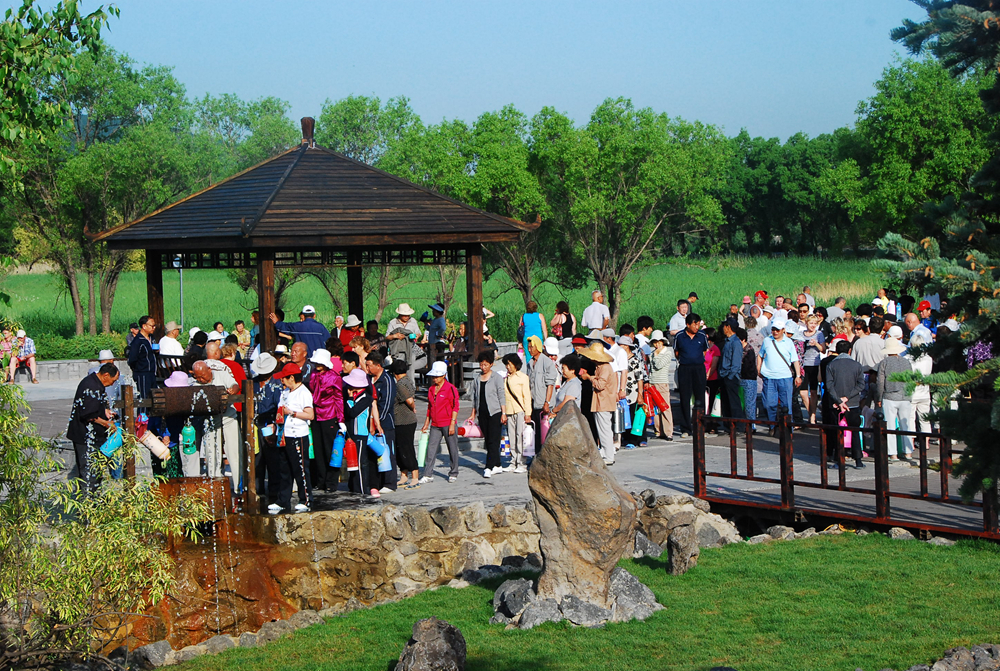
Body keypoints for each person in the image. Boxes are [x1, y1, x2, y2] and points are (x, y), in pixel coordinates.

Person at [67, 362, 120, 494]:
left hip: (89, 435)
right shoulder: (91, 386)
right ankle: (87, 506)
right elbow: (88, 415)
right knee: (89, 472)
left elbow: (93, 407)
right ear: (106, 375)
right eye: (113, 381)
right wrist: (106, 423)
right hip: (84, 436)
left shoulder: (95, 383)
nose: (113, 384)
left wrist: (105, 411)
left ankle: (92, 502)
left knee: (95, 472)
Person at [192, 358, 241, 493]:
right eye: (198, 377)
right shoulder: (194, 384)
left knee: (234, 451)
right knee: (212, 453)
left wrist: (233, 390)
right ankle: (216, 485)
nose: (201, 379)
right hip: (210, 419)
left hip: (228, 416)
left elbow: (235, 384)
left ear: (209, 370)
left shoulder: (221, 374)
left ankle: (239, 487)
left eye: (203, 376)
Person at [273, 362, 314, 513]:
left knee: (300, 468)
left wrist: (292, 412)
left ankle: (306, 499)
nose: (281, 381)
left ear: (291, 378)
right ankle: (283, 499)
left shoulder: (304, 392)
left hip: (298, 435)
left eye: (284, 378)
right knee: (285, 469)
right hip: (284, 435)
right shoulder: (285, 392)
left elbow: (310, 415)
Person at [824, 340, 866, 468]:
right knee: (854, 431)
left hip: (836, 404)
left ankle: (839, 461)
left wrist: (838, 400)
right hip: (852, 403)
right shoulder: (857, 365)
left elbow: (829, 386)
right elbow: (861, 385)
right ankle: (858, 460)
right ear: (850, 351)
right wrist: (847, 397)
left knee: (838, 432)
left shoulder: (831, 365)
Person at [307, 348, 344, 493]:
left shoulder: (334, 377)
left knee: (330, 450)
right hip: (316, 415)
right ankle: (321, 480)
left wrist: (340, 419)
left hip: (330, 415)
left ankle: (331, 482)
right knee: (318, 449)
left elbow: (338, 398)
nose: (316, 364)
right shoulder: (314, 374)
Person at [757, 319, 801, 435]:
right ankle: (772, 425)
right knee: (768, 404)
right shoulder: (767, 340)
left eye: (777, 330)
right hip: (769, 377)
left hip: (785, 377)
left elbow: (795, 360)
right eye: (773, 329)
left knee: (786, 404)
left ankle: (788, 429)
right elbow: (760, 355)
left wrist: (798, 375)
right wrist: (759, 368)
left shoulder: (789, 342)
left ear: (783, 330)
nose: (775, 332)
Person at [251, 353, 283, 508]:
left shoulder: (277, 384)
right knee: (257, 459)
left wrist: (276, 425)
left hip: (270, 424)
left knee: (273, 460)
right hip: (255, 424)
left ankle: (274, 492)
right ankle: (258, 490)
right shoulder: (253, 383)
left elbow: (279, 406)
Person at [420, 361, 461, 483]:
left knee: (452, 448)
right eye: (433, 376)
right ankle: (428, 474)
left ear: (443, 375)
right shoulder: (431, 389)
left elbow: (455, 406)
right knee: (431, 449)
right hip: (435, 424)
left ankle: (453, 472)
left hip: (448, 423)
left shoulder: (451, 389)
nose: (434, 378)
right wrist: (426, 423)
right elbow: (430, 407)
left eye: (437, 376)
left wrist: (452, 424)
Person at [875, 337, 915, 461]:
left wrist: (879, 397)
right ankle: (908, 451)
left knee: (890, 426)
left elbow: (880, 382)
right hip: (905, 396)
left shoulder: (885, 362)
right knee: (905, 425)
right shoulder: (906, 362)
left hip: (889, 396)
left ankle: (893, 453)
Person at [468, 349, 505, 479]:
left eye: (486, 364)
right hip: (482, 413)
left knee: (493, 440)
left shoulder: (497, 378)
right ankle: (498, 464)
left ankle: (489, 466)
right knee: (488, 439)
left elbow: (501, 396)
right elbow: (475, 397)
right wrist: (473, 413)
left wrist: (503, 413)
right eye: (481, 364)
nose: (483, 367)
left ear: (491, 364)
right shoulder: (477, 378)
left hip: (495, 412)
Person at [580, 341, 617, 464]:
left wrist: (589, 377)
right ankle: (606, 453)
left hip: (604, 402)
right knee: (603, 429)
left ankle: (609, 456)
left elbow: (600, 385)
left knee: (604, 429)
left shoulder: (605, 367)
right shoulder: (600, 367)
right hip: (601, 402)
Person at [342, 367, 376, 496]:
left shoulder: (366, 399)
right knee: (352, 463)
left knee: (361, 463)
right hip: (351, 434)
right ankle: (353, 487)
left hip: (360, 435)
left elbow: (352, 412)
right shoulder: (355, 398)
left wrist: (350, 400)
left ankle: (362, 489)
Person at [674, 314, 709, 437]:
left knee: (700, 398)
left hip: (699, 368)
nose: (696, 326)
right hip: (685, 369)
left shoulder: (702, 335)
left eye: (698, 323)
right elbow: (677, 353)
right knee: (684, 398)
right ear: (688, 324)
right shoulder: (679, 336)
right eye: (694, 324)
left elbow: (704, 351)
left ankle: (701, 426)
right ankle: (685, 428)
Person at [367, 352, 397, 493]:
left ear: (378, 365)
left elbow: (386, 403)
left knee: (388, 451)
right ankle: (377, 482)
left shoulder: (387, 380)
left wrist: (378, 421)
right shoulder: (370, 379)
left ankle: (390, 483)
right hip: (372, 421)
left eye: (369, 365)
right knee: (375, 453)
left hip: (385, 422)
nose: (367, 369)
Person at [391, 359, 420, 488]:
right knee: (400, 448)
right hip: (404, 421)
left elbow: (409, 400)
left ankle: (414, 476)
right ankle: (404, 474)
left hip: (404, 421)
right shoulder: (407, 380)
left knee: (406, 448)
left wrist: (413, 407)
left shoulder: (400, 384)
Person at [526, 335, 557, 454]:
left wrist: (547, 402)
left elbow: (550, 384)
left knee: (545, 432)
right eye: (528, 347)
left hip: (544, 403)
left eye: (531, 347)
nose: (529, 349)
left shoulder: (547, 362)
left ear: (538, 347)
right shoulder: (530, 363)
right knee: (536, 432)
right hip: (534, 402)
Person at [501, 353, 532, 474]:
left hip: (520, 410)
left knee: (520, 436)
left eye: (509, 364)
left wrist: (527, 413)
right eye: (506, 365)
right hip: (509, 411)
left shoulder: (523, 377)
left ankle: (522, 462)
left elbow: (526, 396)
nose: (508, 367)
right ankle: (513, 461)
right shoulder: (506, 378)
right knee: (512, 437)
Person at [619, 336, 648, 448]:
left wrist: (640, 394)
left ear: (626, 346)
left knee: (636, 415)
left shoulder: (635, 359)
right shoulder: (620, 359)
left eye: (621, 345)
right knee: (626, 416)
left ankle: (637, 439)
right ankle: (627, 438)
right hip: (623, 391)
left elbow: (639, 378)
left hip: (634, 391)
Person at [798, 314, 826, 424]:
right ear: (806, 323)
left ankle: (813, 417)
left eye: (815, 323)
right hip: (803, 365)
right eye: (811, 323)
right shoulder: (801, 334)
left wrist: (816, 344)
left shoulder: (819, 334)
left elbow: (823, 349)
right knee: (803, 393)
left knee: (814, 392)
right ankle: (811, 412)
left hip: (814, 363)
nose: (813, 325)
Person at [386, 303, 423, 380]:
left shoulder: (413, 321)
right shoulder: (393, 322)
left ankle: (411, 385)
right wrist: (395, 336)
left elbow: (418, 333)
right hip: (398, 350)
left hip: (411, 348)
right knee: (399, 367)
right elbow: (387, 337)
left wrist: (416, 336)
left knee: (411, 363)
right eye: (405, 315)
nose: (407, 317)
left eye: (408, 315)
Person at [648, 330, 674, 440]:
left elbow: (658, 365)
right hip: (652, 382)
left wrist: (656, 355)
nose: (657, 344)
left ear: (663, 342)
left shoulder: (667, 352)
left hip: (662, 382)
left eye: (659, 342)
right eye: (655, 342)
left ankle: (668, 432)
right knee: (656, 409)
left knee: (665, 407)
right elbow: (651, 369)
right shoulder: (653, 353)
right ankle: (658, 431)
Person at [906, 334, 934, 434]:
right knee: (925, 419)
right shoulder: (928, 359)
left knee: (910, 418)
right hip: (925, 392)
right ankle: (926, 442)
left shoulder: (907, 359)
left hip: (912, 393)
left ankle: (911, 442)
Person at [719, 320, 743, 426]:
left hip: (731, 377)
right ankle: (729, 426)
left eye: (724, 326)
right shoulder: (727, 341)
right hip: (724, 375)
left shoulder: (736, 342)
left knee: (734, 402)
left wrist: (730, 376)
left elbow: (736, 363)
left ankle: (738, 426)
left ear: (728, 327)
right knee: (726, 403)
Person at [128, 316, 157, 399]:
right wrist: (139, 369)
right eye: (152, 326)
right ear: (144, 326)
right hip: (142, 373)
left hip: (152, 372)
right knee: (144, 398)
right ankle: (142, 412)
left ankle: (150, 413)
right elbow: (132, 359)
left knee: (153, 398)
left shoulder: (152, 338)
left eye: (154, 326)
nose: (154, 328)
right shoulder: (138, 341)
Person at [738, 327, 759, 433]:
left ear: (742, 340)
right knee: (743, 403)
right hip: (742, 379)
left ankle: (752, 425)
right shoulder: (741, 350)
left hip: (749, 379)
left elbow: (748, 367)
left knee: (749, 404)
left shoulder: (749, 351)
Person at [551, 352, 583, 417]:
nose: (562, 371)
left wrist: (553, 411)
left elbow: (566, 403)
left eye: (563, 368)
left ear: (572, 370)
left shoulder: (574, 384)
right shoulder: (566, 382)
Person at [703, 327, 723, 433]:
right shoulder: (703, 348)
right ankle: (704, 422)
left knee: (712, 403)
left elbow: (714, 365)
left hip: (712, 378)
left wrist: (707, 375)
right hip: (702, 377)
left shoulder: (715, 349)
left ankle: (712, 424)